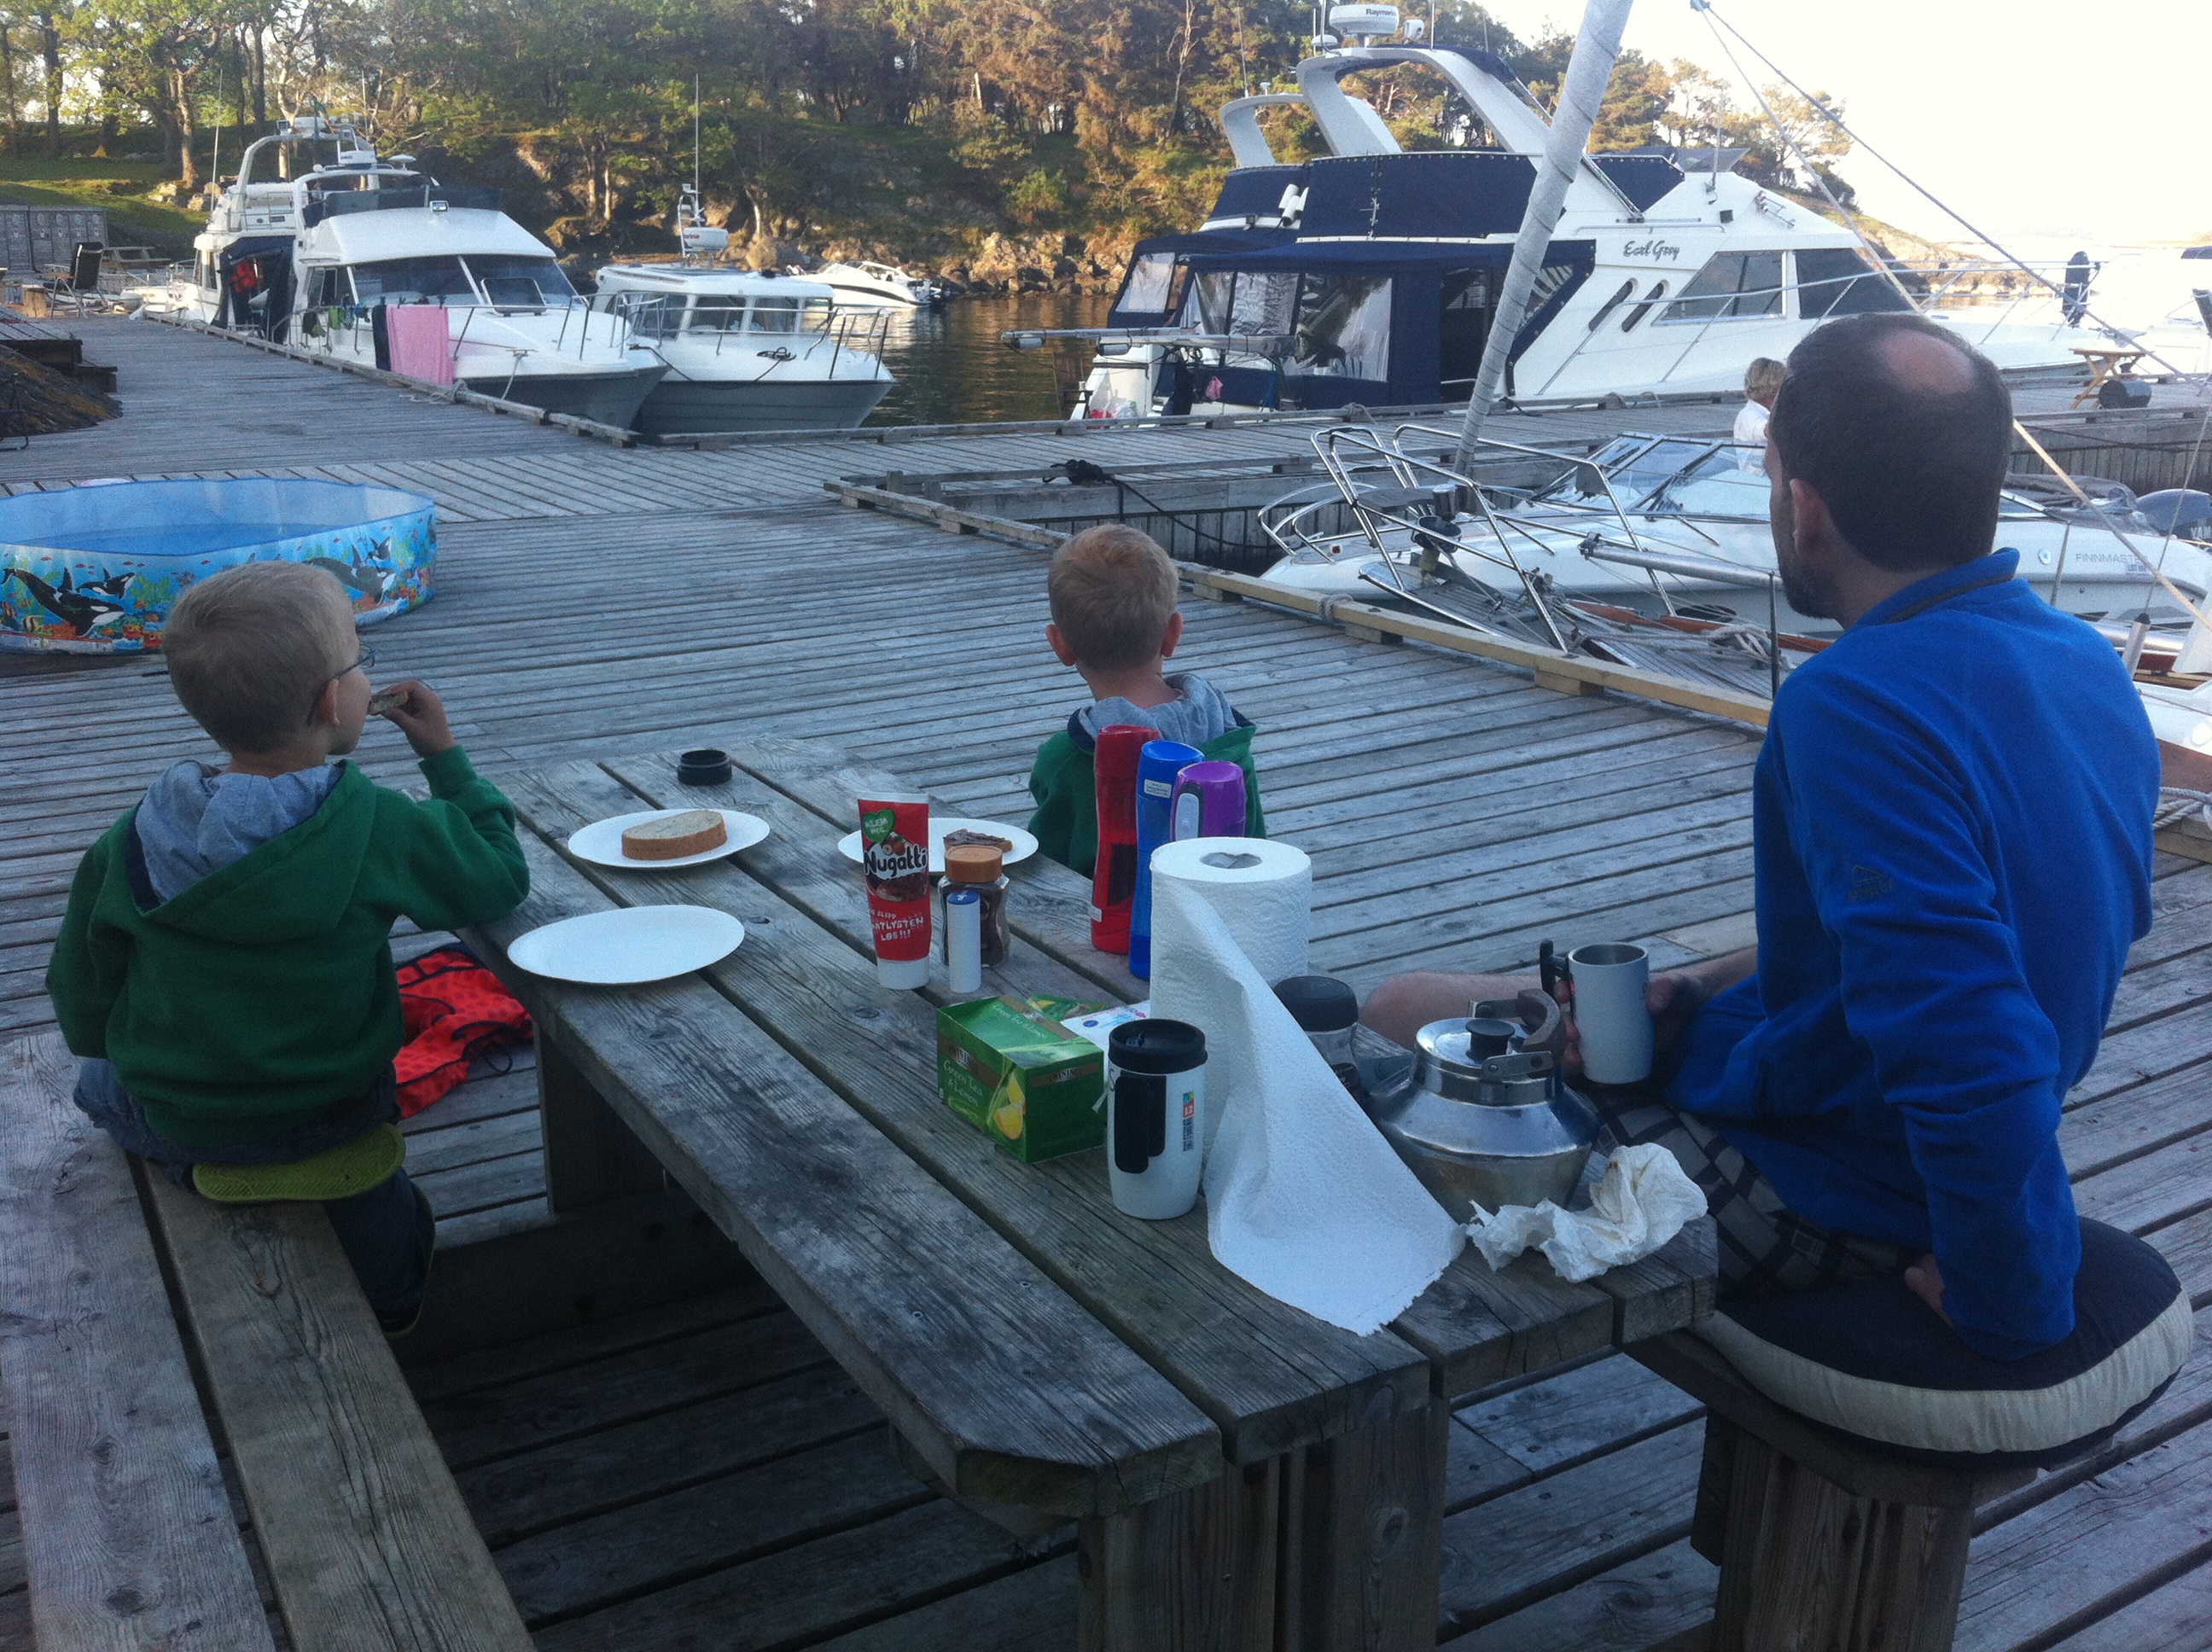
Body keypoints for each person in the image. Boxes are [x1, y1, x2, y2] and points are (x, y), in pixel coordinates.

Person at [1363, 311, 2159, 1361]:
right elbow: (2001, 930)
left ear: (1806, 509)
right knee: (1412, 1005)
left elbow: (1968, 1038)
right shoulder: (2084, 663)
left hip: (1839, 1186)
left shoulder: (1856, 704)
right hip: (1842, 1100)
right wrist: (1697, 986)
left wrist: (2010, 1292)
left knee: (1388, 1060)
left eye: (1773, 478)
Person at [45, 561, 532, 1335]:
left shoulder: (134, 835)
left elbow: (79, 987)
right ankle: (393, 1290)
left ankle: (192, 1166)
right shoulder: (376, 825)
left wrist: (127, 1056)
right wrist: (445, 759)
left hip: (182, 1110)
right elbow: (497, 879)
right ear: (333, 702)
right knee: (378, 1202)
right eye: (360, 662)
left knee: (98, 1084)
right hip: (332, 1108)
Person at [1027, 524, 1265, 875]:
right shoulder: (1230, 739)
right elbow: (1258, 851)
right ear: (1173, 634)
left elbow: (1047, 870)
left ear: (1059, 645)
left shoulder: (1064, 759)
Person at [1733, 357, 1786, 455]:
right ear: (1771, 387)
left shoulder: (1767, 412)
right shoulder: (1748, 415)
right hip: (1757, 465)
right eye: (1784, 383)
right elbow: (1768, 431)